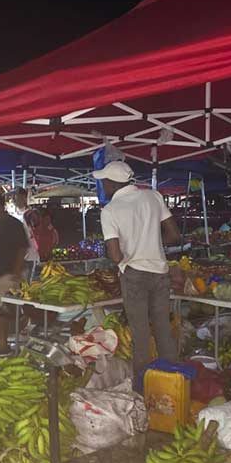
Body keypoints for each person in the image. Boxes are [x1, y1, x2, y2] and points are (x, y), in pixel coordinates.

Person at [93, 161, 181, 378]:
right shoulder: (153, 196)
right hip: (159, 271)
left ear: (112, 184)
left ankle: (142, 386)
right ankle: (173, 379)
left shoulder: (110, 210)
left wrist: (128, 256)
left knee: (140, 333)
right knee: (162, 328)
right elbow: (174, 235)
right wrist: (152, 245)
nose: (102, 186)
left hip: (134, 274)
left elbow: (115, 256)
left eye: (104, 182)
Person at [0, 194, 29, 358]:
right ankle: (4, 343)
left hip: (3, 276)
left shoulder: (12, 224)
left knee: (1, 313)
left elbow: (22, 249)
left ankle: (3, 346)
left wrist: (15, 272)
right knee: (1, 312)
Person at [9, 188, 40, 277]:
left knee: (27, 287)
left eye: (15, 196)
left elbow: (36, 227)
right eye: (12, 196)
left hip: (29, 256)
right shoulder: (13, 214)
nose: (13, 199)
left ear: (23, 197)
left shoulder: (31, 214)